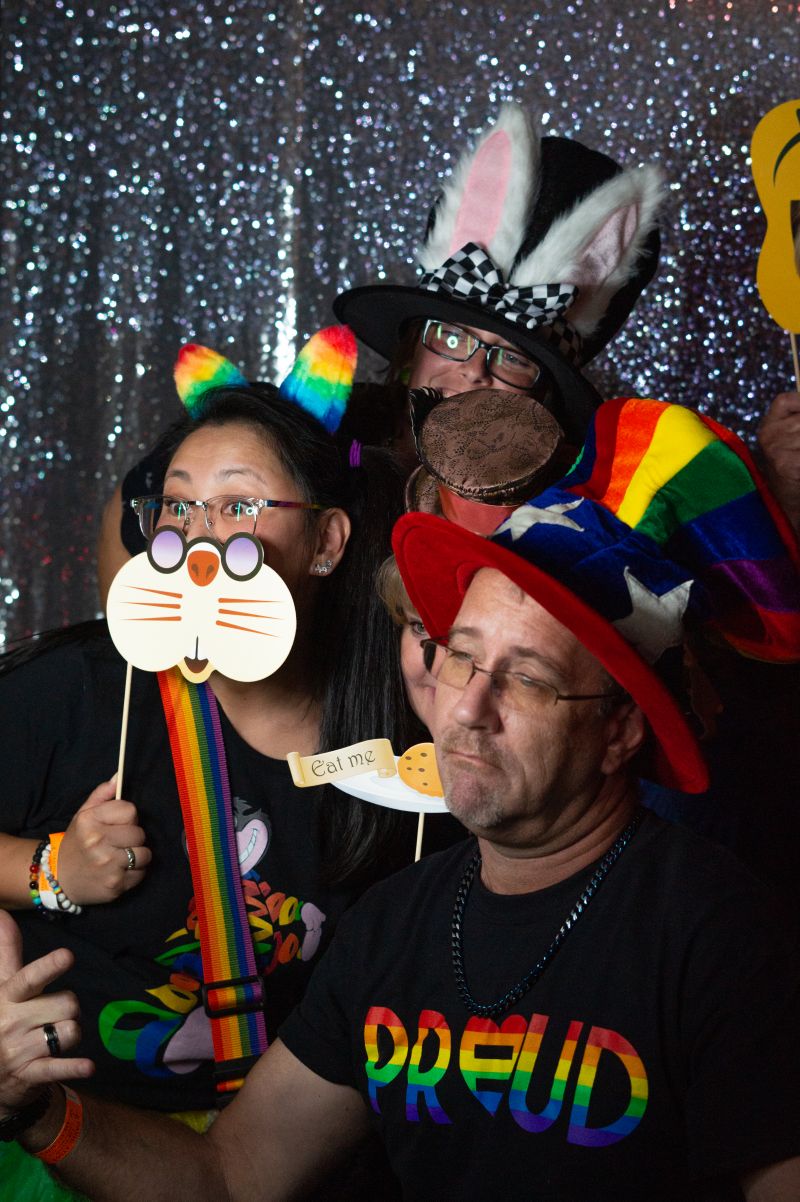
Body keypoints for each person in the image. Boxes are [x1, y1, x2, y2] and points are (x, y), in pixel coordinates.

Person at [3, 396, 799, 1201]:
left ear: (624, 730)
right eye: (460, 655)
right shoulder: (394, 925)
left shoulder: (721, 935)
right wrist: (37, 1111)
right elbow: (233, 1177)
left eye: (529, 677)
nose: (468, 707)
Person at [0, 340, 422, 1197]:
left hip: (302, 1162)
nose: (198, 540)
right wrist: (50, 871)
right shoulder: (82, 690)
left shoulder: (406, 752)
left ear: (329, 541)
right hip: (67, 1139)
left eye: (239, 508)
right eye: (180, 508)